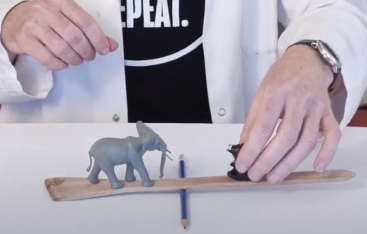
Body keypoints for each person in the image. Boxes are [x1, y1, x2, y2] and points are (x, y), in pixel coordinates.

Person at [1, 0, 367, 184]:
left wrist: (316, 53)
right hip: (47, 172)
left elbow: (338, 8)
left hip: (238, 175)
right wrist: (9, 21)